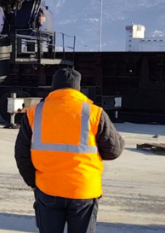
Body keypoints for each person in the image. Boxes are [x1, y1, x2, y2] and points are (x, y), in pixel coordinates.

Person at [15, 68, 125, 233]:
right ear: (78, 89)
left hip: (48, 189)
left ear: (53, 87)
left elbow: (22, 154)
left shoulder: (35, 112)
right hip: (83, 190)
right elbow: (114, 150)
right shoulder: (94, 112)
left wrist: (33, 182)